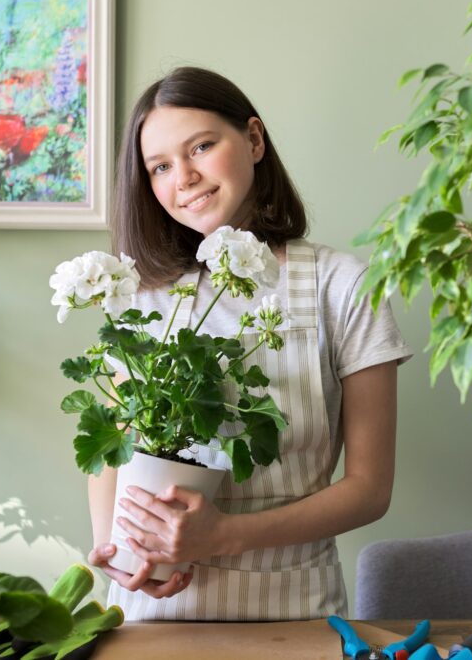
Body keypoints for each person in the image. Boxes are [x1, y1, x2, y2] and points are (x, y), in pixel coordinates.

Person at [87, 66, 412, 621]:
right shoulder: (143, 294)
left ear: (255, 140)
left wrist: (222, 536)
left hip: (290, 609)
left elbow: (369, 489)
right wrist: (116, 550)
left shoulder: (344, 285)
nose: (183, 177)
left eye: (201, 147)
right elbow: (111, 446)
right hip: (151, 606)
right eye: (160, 166)